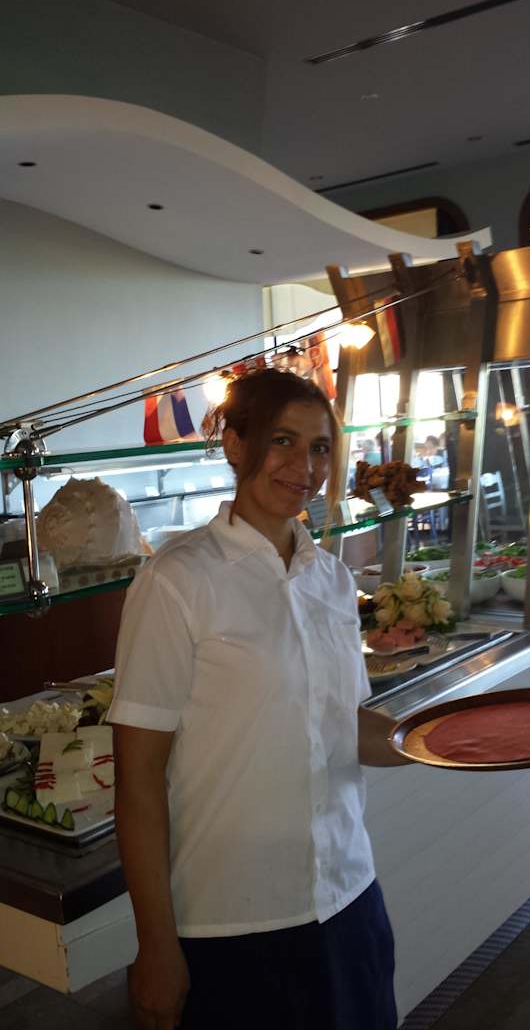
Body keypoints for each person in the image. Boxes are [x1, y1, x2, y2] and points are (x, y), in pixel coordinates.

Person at [109, 368, 412, 1030]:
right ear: (235, 445)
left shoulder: (331, 579)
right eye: (282, 440)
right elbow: (137, 779)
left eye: (320, 447)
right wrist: (155, 944)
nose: (305, 466)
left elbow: (340, 726)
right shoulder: (176, 581)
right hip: (232, 928)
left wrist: (436, 741)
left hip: (350, 900)